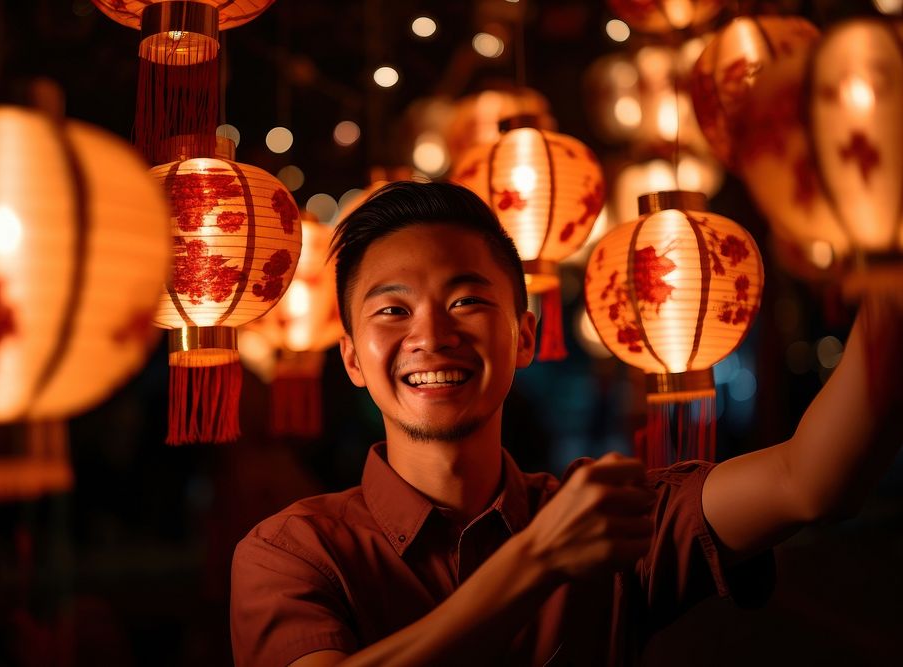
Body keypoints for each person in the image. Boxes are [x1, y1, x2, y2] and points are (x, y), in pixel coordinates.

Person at [230, 181, 902, 666]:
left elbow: (811, 479)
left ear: (524, 335)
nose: (430, 336)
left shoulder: (609, 521)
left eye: (466, 300)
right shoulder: (292, 552)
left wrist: (889, 271)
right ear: (351, 356)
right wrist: (538, 559)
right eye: (392, 311)